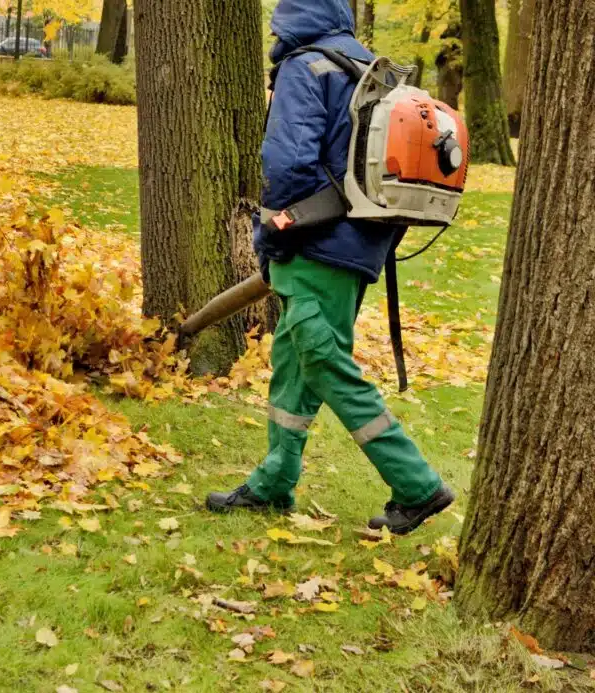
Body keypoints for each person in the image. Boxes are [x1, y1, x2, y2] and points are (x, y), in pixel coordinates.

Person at [204, 0, 454, 535]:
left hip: (315, 245)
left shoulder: (304, 65)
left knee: (324, 363)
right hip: (359, 245)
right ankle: (273, 482)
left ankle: (417, 485)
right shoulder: (363, 64)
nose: (273, 19)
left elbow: (288, 164)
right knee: (297, 363)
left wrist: (270, 235)